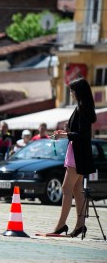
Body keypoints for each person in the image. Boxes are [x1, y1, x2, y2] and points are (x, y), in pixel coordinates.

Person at [48, 78, 97, 238]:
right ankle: (80, 226)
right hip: (78, 152)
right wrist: (67, 131)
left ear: (78, 92)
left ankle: (61, 225)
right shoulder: (83, 107)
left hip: (77, 153)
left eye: (72, 90)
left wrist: (64, 134)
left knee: (66, 188)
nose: (71, 93)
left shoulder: (82, 108)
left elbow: (82, 135)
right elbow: (80, 132)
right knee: (76, 189)